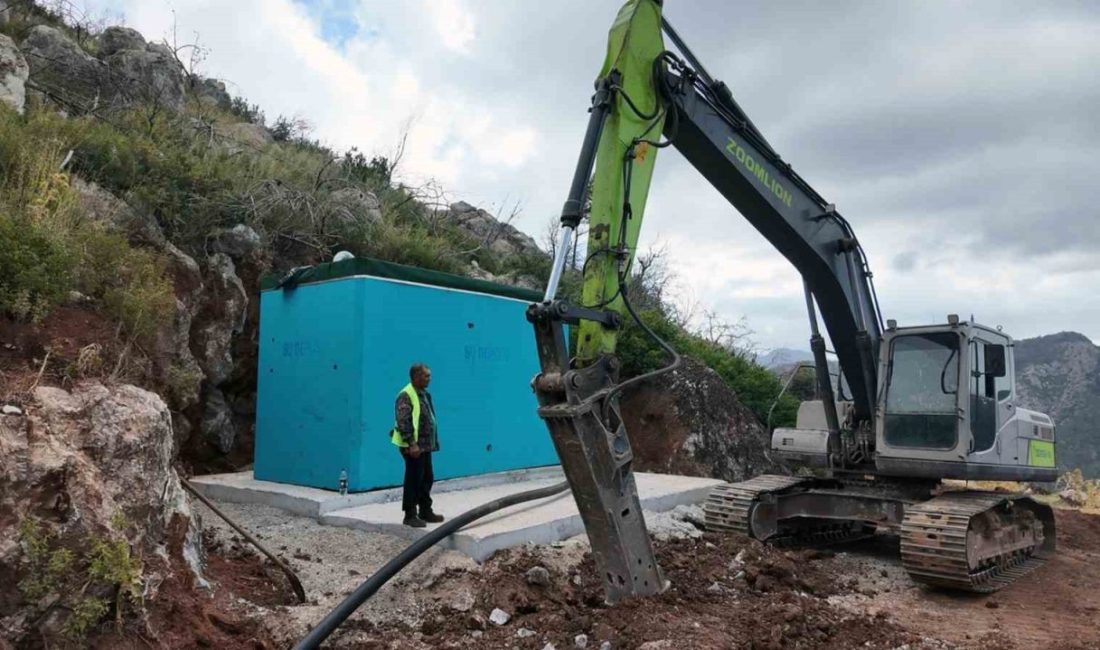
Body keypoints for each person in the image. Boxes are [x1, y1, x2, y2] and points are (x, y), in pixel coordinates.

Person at [390, 363, 443, 528]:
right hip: (412, 447)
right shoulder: (406, 395)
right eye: (426, 376)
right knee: (414, 479)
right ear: (416, 377)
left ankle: (425, 510)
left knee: (427, 477)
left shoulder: (424, 394)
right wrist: (411, 444)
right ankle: (410, 514)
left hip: (425, 446)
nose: (429, 379)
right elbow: (403, 421)